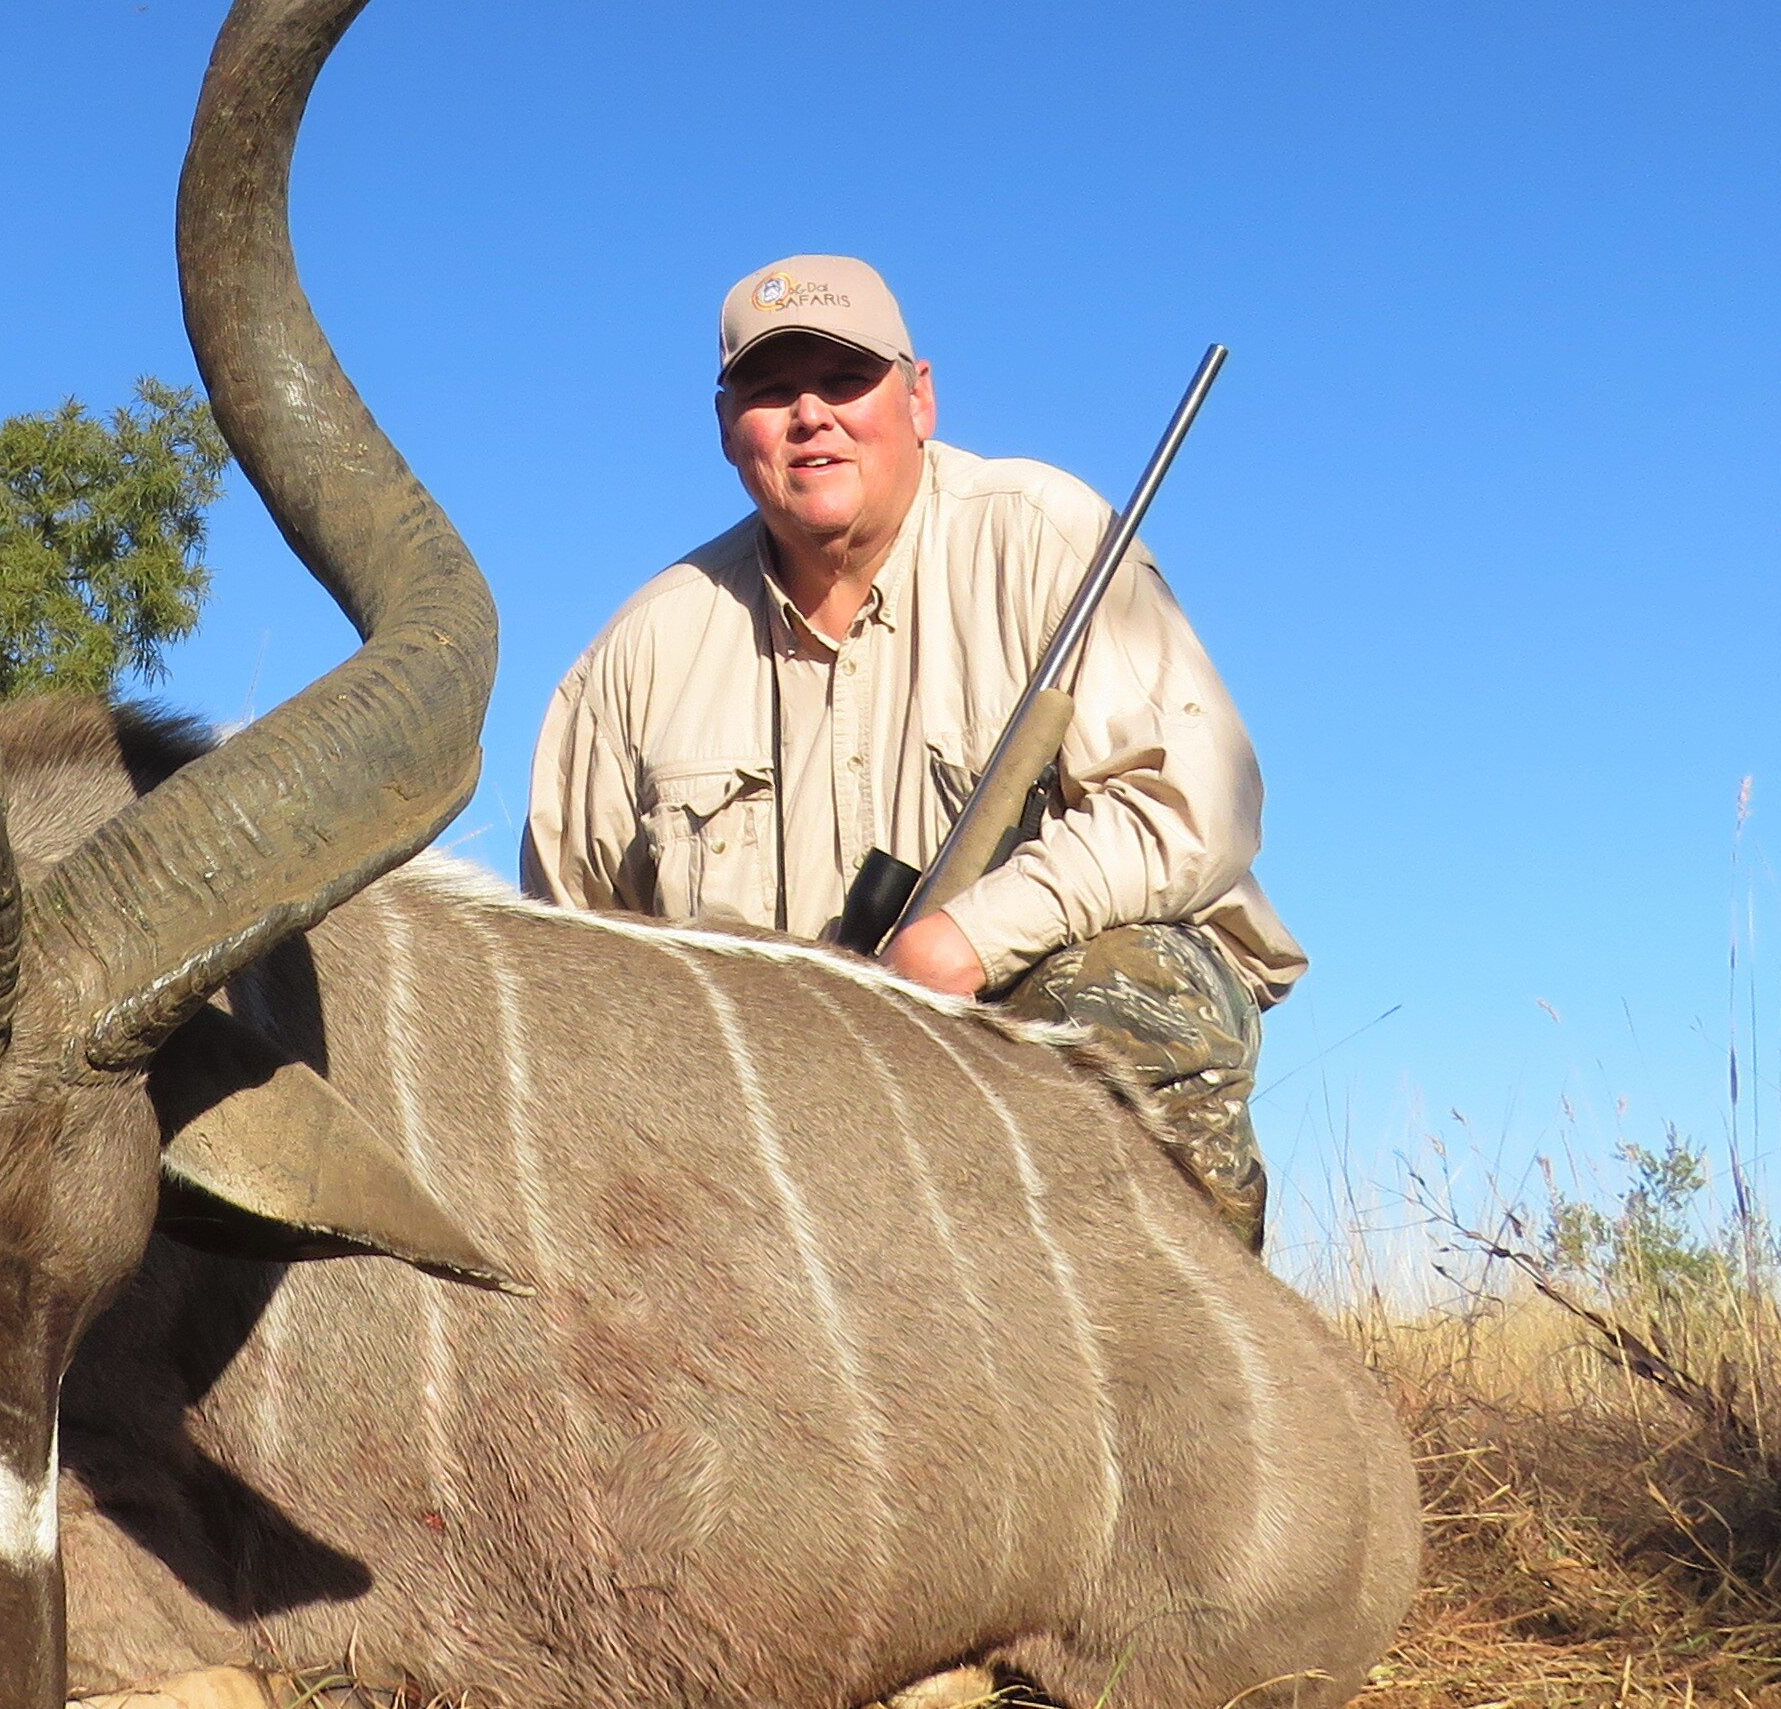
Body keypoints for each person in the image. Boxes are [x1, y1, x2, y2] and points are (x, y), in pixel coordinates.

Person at [521, 254, 1298, 1246]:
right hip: (778, 1090)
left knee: (1128, 989)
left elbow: (1197, 807)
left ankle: (1188, 1376)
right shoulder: (634, 659)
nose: (812, 415)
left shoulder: (1046, 538)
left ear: (919, 397)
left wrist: (963, 942)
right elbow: (573, 964)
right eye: (770, 390)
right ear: (726, 429)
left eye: (846, 379)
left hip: (1020, 1014)